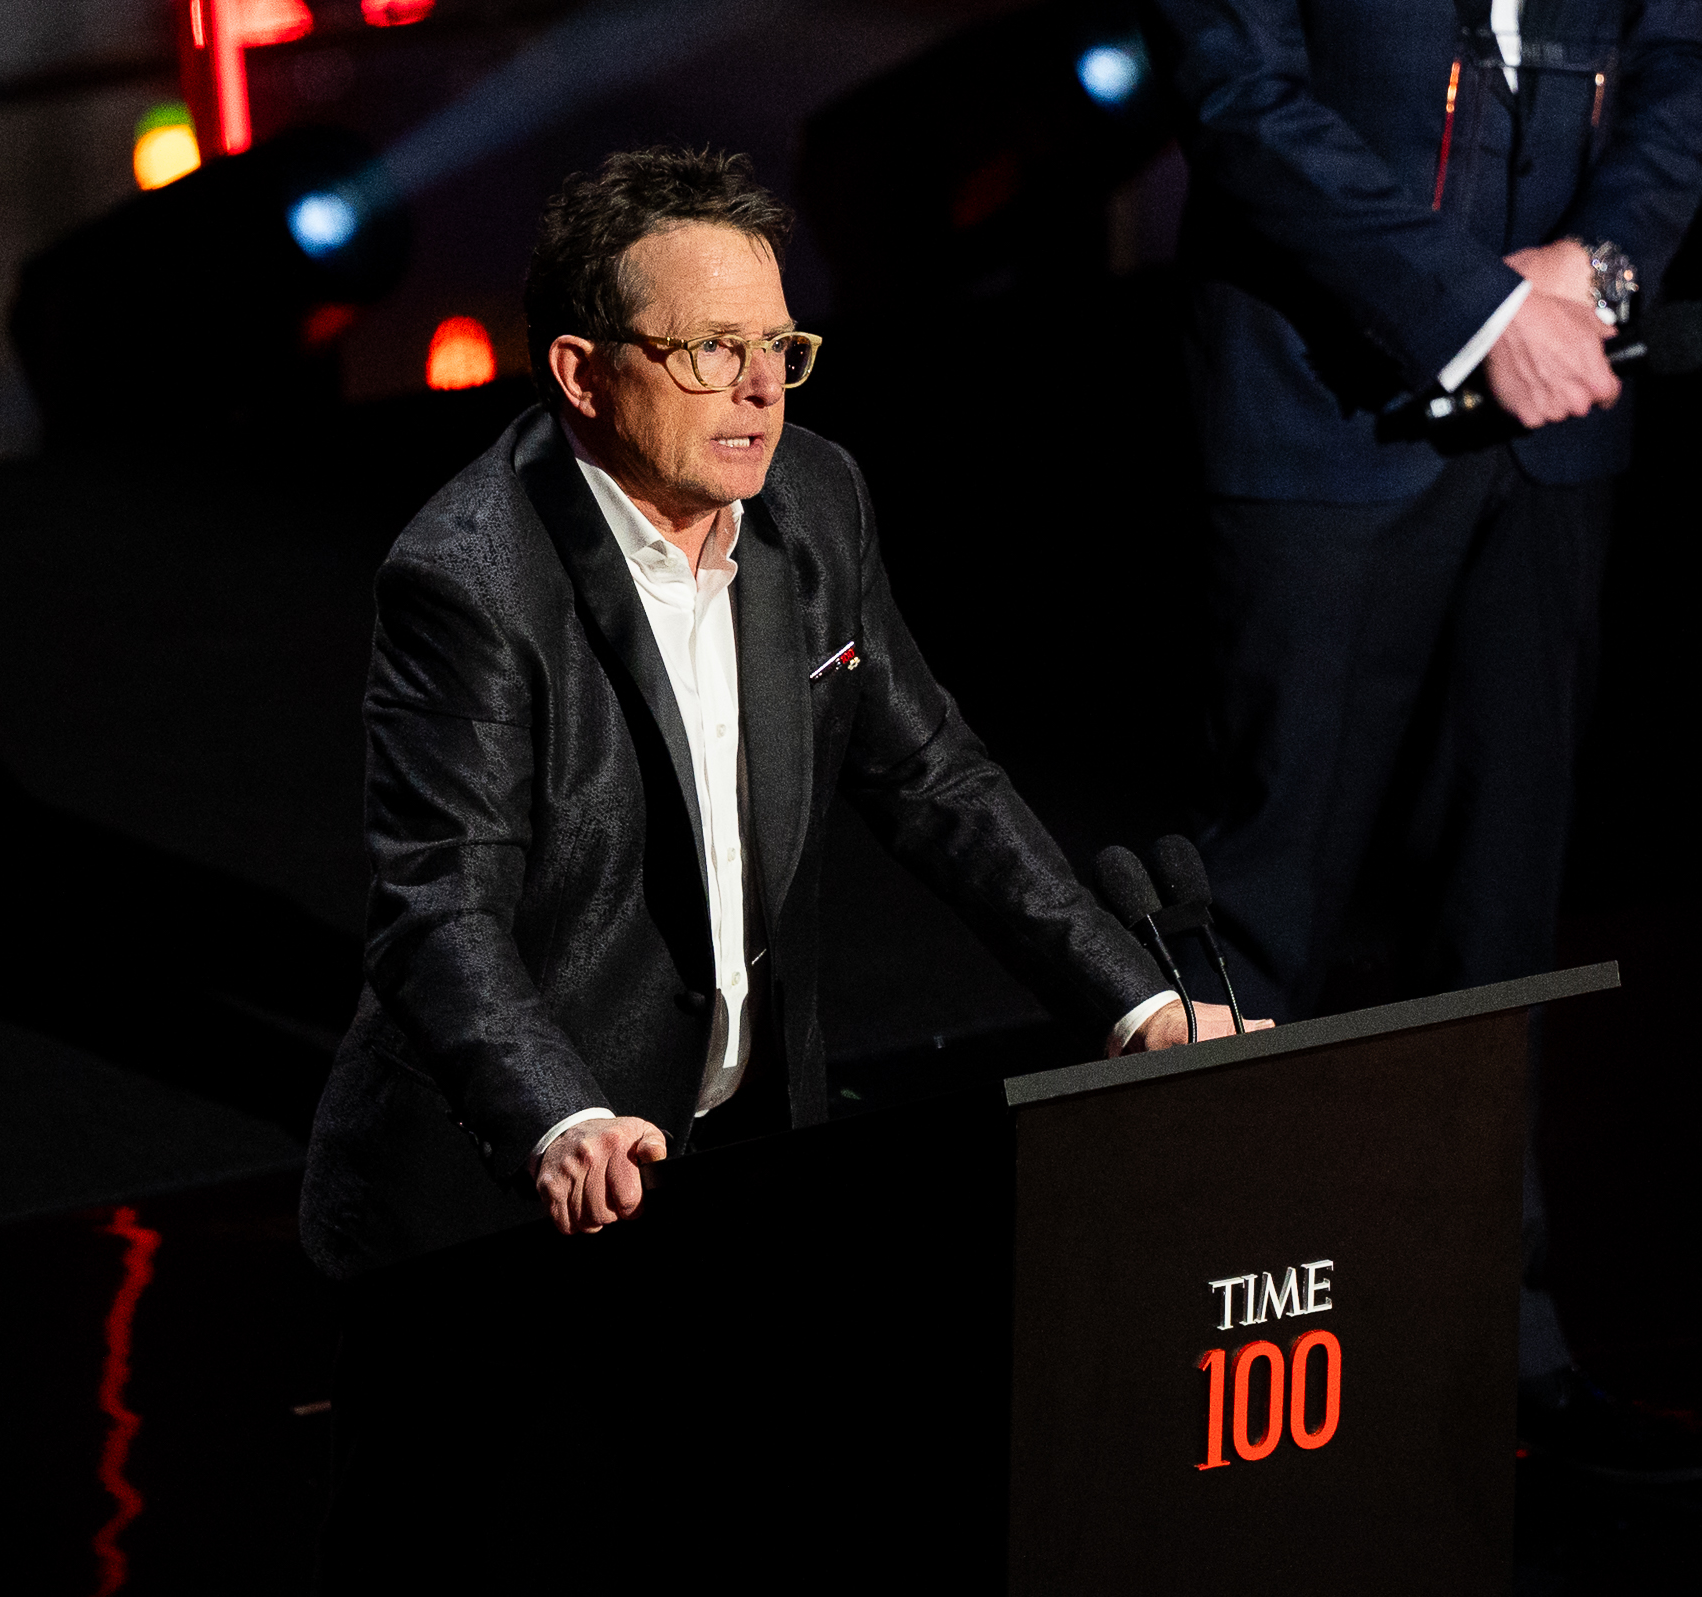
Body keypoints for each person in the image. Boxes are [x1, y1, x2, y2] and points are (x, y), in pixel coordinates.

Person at [301, 147, 1252, 1587]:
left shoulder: (815, 501)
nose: (762, 389)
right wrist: (558, 1115)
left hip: (729, 1173)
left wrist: (1139, 1005)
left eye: (777, 346)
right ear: (583, 368)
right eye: (711, 351)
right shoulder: (470, 578)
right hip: (490, 1212)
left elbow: (936, 779)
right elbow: (440, 910)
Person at [1145, 0, 1702, 1481]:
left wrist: (1593, 275)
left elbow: (1686, 55)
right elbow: (1237, 96)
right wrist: (1479, 307)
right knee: (1260, 920)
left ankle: (1494, 1368)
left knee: (1501, 924)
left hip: (1558, 430)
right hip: (1322, 412)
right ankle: (1200, 1394)